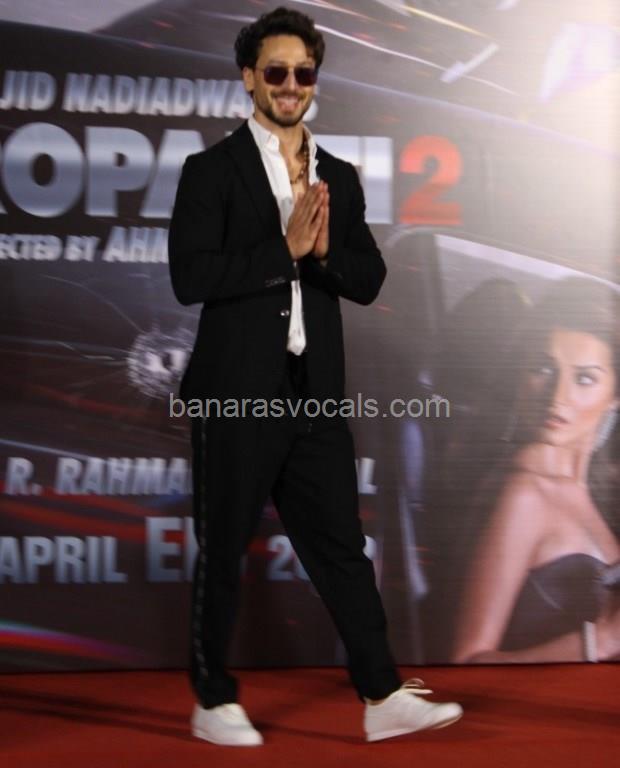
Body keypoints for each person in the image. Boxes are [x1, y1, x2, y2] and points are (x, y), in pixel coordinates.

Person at [168, 5, 462, 747]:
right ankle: (212, 700)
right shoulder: (211, 171)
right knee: (223, 546)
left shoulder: (340, 177)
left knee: (341, 550)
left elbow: (368, 278)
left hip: (314, 395)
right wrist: (285, 251)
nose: (291, 84)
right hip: (236, 395)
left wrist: (325, 252)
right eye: (276, 71)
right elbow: (189, 277)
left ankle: (381, 694)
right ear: (249, 78)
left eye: (303, 72)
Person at [452, 277, 620, 664]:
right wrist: (602, 640)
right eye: (543, 369)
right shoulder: (524, 493)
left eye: (584, 378)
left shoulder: (594, 493)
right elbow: (466, 661)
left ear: (614, 397)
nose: (557, 396)